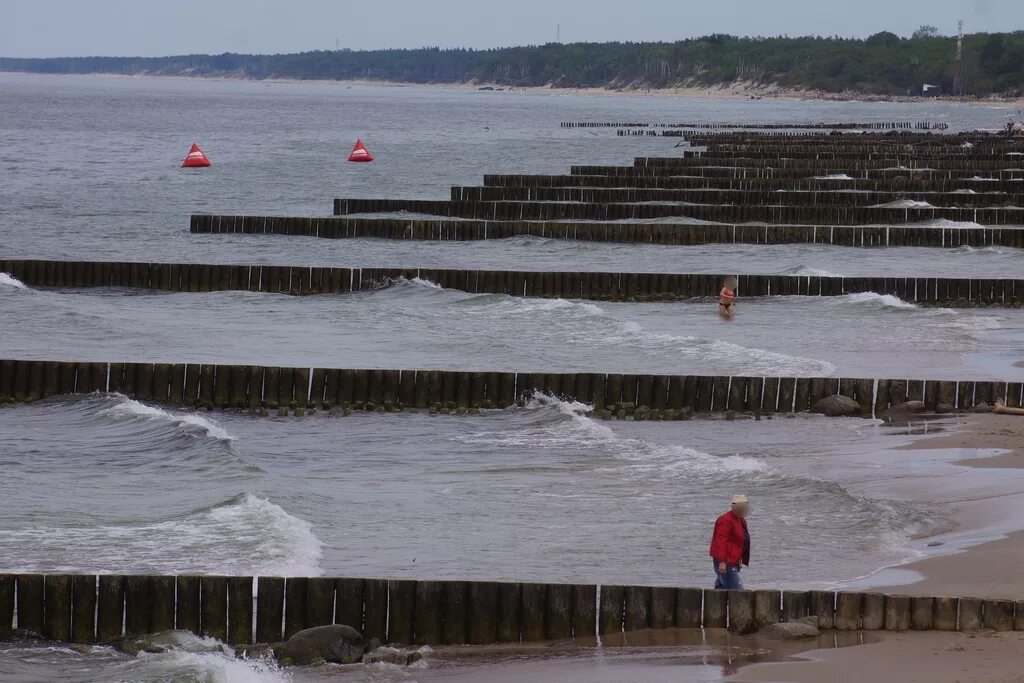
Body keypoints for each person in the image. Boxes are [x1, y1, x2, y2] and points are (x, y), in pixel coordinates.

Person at [709, 494, 751, 589]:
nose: (743, 510)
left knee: (720, 589)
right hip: (726, 561)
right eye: (740, 507)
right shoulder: (725, 520)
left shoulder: (741, 520)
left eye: (744, 507)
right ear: (733, 507)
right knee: (738, 591)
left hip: (734, 560)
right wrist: (722, 561)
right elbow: (721, 541)